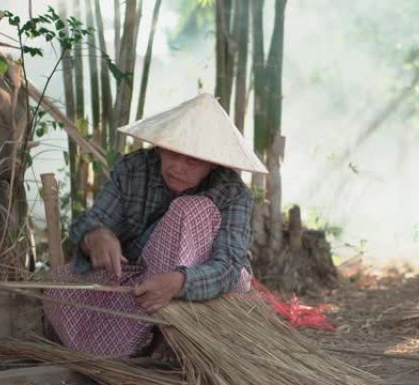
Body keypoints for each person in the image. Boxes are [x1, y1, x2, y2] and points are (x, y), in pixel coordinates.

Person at [43, 93, 268, 357]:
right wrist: (96, 236)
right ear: (160, 147)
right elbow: (93, 222)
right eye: (173, 153)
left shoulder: (232, 192)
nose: (178, 167)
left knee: (189, 209)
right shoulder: (134, 169)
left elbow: (228, 266)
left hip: (209, 281)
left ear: (212, 164)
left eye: (192, 161)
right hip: (143, 273)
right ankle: (133, 341)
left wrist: (180, 282)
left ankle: (172, 335)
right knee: (58, 286)